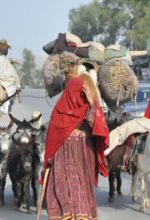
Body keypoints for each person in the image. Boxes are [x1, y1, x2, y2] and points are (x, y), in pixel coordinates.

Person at [43, 77, 109, 219]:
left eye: (82, 93)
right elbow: (52, 138)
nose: (79, 97)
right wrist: (49, 158)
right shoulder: (59, 111)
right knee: (62, 191)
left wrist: (92, 103)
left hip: (83, 158)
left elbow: (99, 127)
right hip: (61, 159)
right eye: (77, 92)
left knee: (80, 191)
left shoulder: (88, 108)